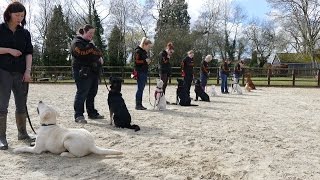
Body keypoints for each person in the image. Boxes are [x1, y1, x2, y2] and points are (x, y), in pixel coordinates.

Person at [0, 2, 34, 150]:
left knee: (21, 104)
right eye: (17, 15)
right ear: (9, 14)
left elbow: (29, 53)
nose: (20, 18)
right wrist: (9, 50)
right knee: (2, 105)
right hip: (3, 71)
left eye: (22, 15)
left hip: (20, 73)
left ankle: (23, 133)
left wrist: (28, 71)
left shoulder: (25, 33)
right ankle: (1, 137)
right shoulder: (0, 29)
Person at [70, 24, 104, 123]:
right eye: (90, 33)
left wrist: (98, 57)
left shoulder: (90, 43)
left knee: (92, 93)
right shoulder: (76, 42)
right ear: (84, 32)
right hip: (82, 71)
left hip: (93, 71)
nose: (91, 35)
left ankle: (92, 112)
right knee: (82, 92)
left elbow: (99, 53)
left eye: (93, 33)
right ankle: (79, 115)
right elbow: (80, 53)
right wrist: (92, 49)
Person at [134, 37, 152, 110]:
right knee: (140, 88)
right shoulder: (138, 51)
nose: (149, 48)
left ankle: (140, 104)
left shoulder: (144, 52)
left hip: (144, 71)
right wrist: (145, 61)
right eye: (148, 46)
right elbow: (136, 61)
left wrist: (147, 61)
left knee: (141, 88)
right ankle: (138, 105)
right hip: (140, 72)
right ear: (145, 44)